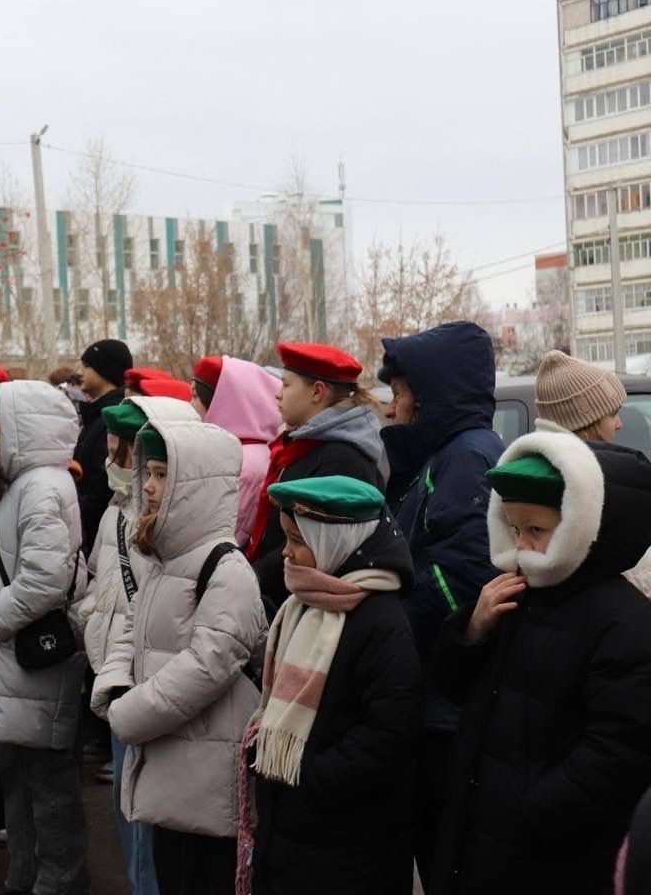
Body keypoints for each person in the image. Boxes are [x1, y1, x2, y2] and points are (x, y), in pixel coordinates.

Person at [430, 433, 651, 894]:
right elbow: (452, 688)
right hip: (480, 837)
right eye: (513, 529)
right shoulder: (514, 592)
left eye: (536, 530)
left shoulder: (625, 622)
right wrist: (472, 630)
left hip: (550, 854)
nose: (522, 545)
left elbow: (620, 748)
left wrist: (532, 810)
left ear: (581, 527)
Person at [92, 421, 266, 895]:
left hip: (205, 775)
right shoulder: (160, 556)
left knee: (202, 879)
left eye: (163, 475)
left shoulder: (225, 568)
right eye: (147, 472)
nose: (147, 485)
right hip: (168, 758)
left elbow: (209, 664)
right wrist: (113, 685)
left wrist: (129, 713)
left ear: (195, 485)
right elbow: (132, 630)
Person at [239, 476, 423, 895]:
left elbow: (389, 734)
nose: (285, 552)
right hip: (296, 833)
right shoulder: (304, 602)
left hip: (347, 843)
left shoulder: (382, 623)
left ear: (333, 543)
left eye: (296, 539)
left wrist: (308, 775)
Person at [376, 321, 504, 884]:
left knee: (445, 859)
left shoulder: (467, 457)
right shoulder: (441, 456)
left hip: (446, 703)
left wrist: (388, 624)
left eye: (399, 393)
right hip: (430, 692)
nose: (390, 406)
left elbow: (464, 572)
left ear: (430, 396)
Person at [0, 381, 91, 895]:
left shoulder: (42, 487)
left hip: (28, 659)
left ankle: (58, 881)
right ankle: (26, 877)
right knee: (19, 776)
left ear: (25, 432)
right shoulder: (26, 483)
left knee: (49, 785)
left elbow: (43, 580)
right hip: (14, 665)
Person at [80, 395, 198, 895]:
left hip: (149, 689)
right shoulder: (116, 510)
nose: (115, 461)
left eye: (123, 450)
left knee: (149, 822)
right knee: (126, 813)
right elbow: (99, 587)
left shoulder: (169, 526)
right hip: (116, 678)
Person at [247, 343, 383, 612]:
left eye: (286, 385)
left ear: (317, 392)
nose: (277, 394)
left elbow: (313, 545)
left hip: (311, 605)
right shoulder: (305, 447)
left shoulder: (342, 459)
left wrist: (252, 577)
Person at [531, 349, 651, 593]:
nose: (620, 423)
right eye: (613, 414)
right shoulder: (602, 482)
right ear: (588, 418)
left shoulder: (539, 471)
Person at [203, 357, 284, 550]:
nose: (190, 404)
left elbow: (229, 535)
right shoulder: (238, 450)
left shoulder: (247, 462)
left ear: (219, 402)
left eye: (195, 397)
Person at [75, 338, 134, 556]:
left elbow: (101, 487)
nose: (80, 372)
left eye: (86, 365)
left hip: (98, 537)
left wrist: (76, 516)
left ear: (105, 369)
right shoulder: (96, 415)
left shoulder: (112, 419)